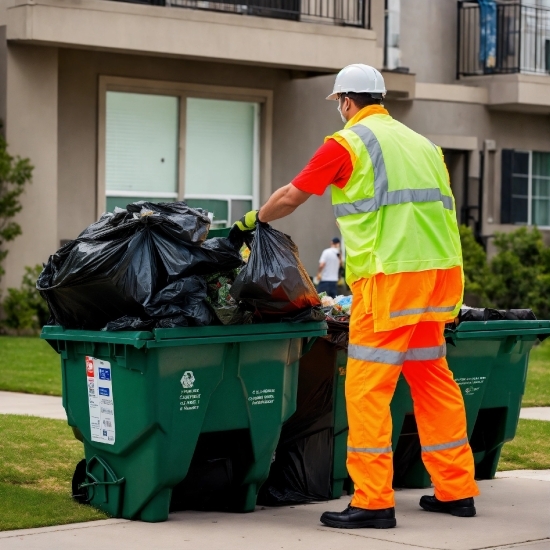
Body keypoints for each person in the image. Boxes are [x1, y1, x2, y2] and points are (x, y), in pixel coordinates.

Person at [233, 63, 479, 529]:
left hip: (390, 280)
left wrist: (253, 220)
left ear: (346, 101)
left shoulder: (347, 143)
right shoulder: (425, 145)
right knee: (432, 380)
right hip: (438, 279)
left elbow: (291, 195)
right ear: (380, 99)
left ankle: (372, 501)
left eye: (339, 103)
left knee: (367, 387)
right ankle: (456, 490)